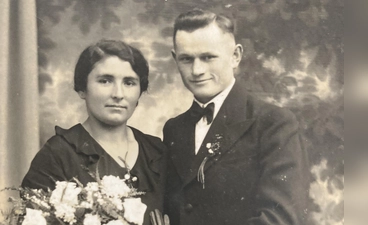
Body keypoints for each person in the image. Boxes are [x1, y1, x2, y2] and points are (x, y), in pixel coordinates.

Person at [163, 9, 309, 225]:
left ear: (235, 56)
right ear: (175, 59)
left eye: (208, 57)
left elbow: (281, 218)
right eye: (186, 59)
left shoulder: (274, 123)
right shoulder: (174, 128)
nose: (196, 70)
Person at [22, 39, 167, 225]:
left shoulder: (155, 152)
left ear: (140, 91)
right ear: (83, 88)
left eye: (129, 83)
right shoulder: (58, 155)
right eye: (105, 81)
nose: (118, 94)